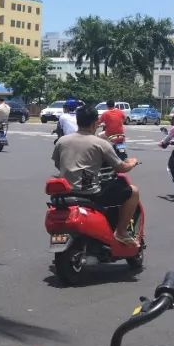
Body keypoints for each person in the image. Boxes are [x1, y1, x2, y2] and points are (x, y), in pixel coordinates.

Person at [52, 105, 141, 245]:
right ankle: (121, 232)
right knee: (133, 191)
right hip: (90, 193)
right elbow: (121, 168)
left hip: (65, 191)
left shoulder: (62, 141)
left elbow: (58, 164)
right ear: (95, 123)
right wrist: (132, 162)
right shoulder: (101, 143)